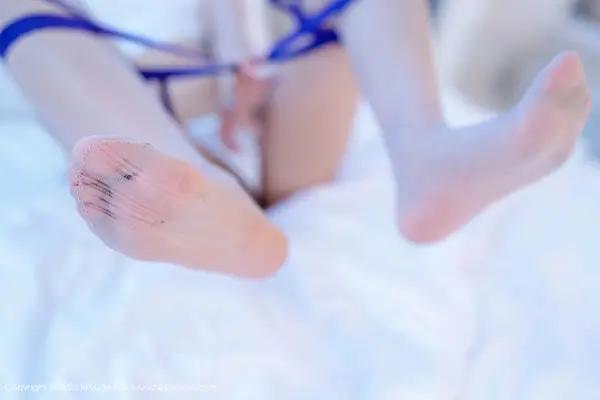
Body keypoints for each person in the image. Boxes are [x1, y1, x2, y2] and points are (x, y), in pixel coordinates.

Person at [0, 0, 591, 277]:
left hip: (273, 96)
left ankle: (423, 151)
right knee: (24, 18)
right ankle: (216, 210)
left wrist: (239, 49)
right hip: (145, 112)